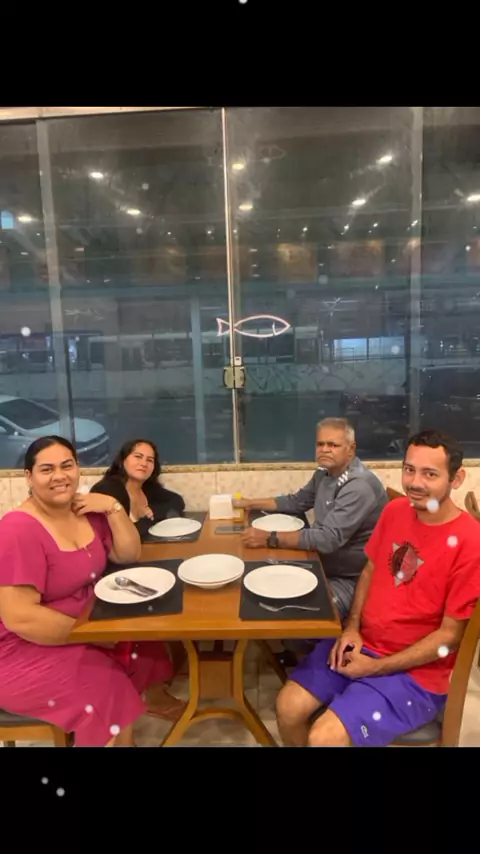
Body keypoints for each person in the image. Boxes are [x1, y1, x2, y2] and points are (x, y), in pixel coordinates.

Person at [276, 429, 480, 747]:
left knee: (324, 737)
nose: (414, 482)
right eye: (409, 469)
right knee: (287, 708)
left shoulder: (471, 542)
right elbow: (370, 569)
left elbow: (449, 637)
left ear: (456, 479)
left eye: (430, 474)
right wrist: (352, 627)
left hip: (417, 673)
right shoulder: (394, 511)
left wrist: (376, 668)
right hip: (363, 643)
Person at [0, 436, 182, 747]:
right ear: (29, 477)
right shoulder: (17, 529)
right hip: (25, 647)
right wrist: (92, 634)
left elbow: (129, 554)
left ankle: (145, 707)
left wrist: (112, 508)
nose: (59, 476)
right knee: (107, 686)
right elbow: (21, 618)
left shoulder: (85, 510)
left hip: (86, 624)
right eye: (47, 469)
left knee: (144, 641)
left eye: (66, 466)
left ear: (78, 468)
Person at [239, 418, 388, 620]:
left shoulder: (358, 485)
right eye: (320, 444)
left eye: (333, 445)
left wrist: (269, 537)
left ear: (351, 449)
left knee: (289, 613)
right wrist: (250, 503)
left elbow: (327, 539)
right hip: (321, 562)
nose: (324, 450)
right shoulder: (324, 473)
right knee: (260, 587)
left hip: (351, 580)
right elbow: (297, 502)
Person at [91, 439, 185, 540]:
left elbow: (178, 501)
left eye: (149, 460)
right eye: (138, 457)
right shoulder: (107, 489)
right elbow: (123, 534)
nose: (144, 463)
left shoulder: (148, 488)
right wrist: (149, 520)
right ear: (122, 461)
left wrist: (153, 511)